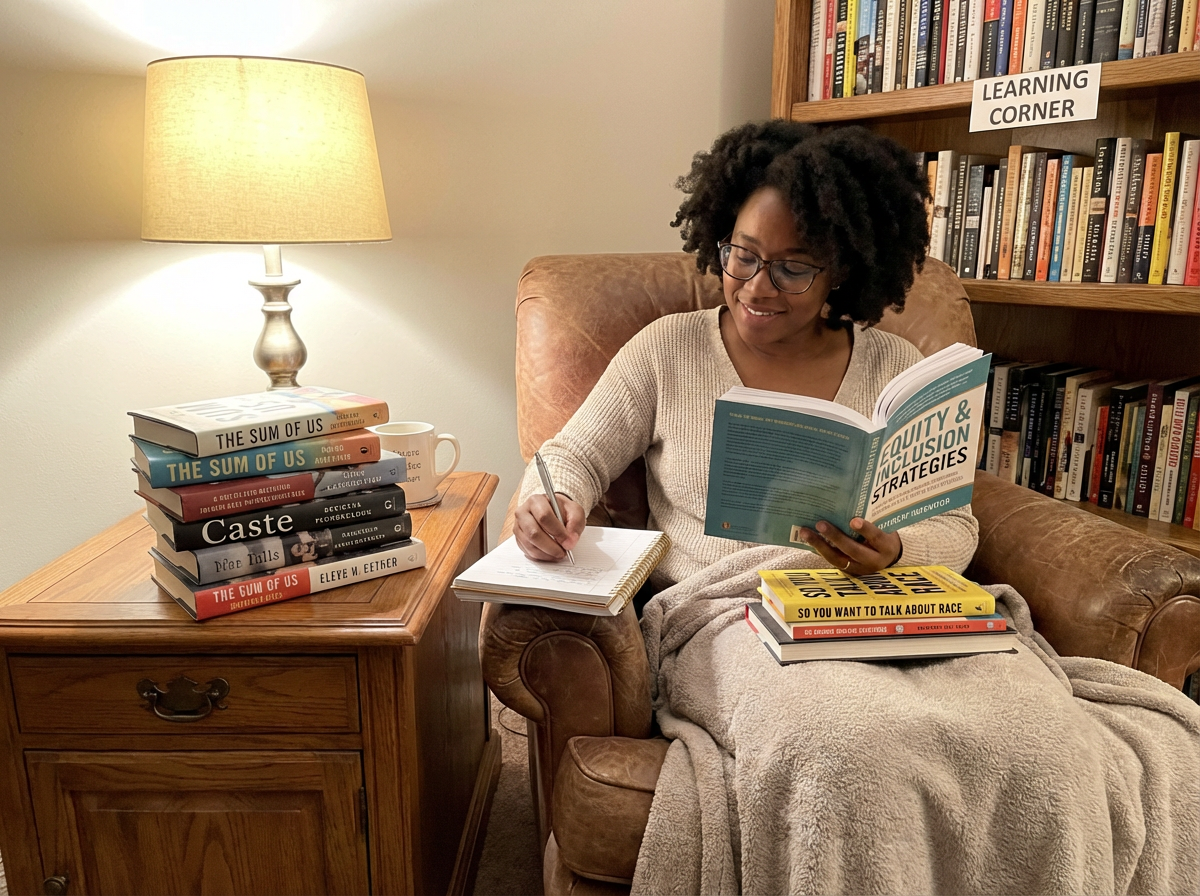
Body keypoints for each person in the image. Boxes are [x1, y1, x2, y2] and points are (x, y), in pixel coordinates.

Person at [512, 120, 978, 584]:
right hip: (728, 615)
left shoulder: (896, 366)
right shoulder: (667, 351)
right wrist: (549, 503)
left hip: (880, 610)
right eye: (743, 255)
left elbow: (955, 527)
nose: (756, 289)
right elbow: (573, 456)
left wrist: (897, 551)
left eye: (792, 269)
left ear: (839, 271)